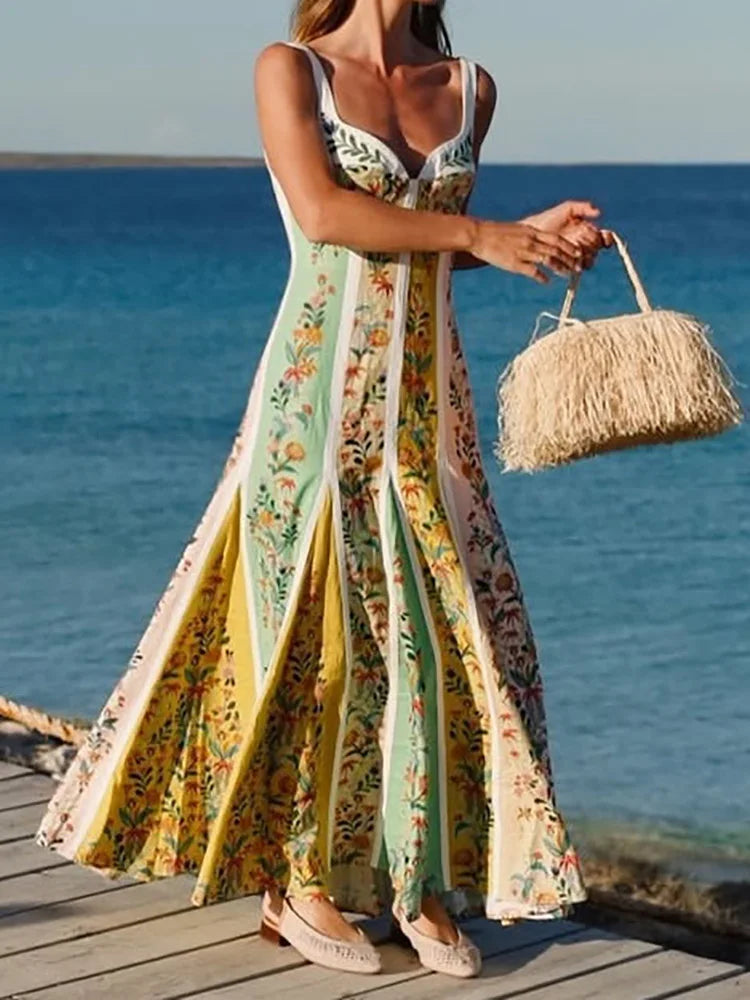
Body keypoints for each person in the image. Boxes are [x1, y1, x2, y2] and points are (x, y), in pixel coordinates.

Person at [35, 0, 614, 981]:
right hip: (314, 411)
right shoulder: (288, 71)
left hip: (432, 419)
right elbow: (326, 214)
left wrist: (532, 244)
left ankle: (416, 878)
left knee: (434, 645)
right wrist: (483, 230)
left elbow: (420, 255)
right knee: (321, 647)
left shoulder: (470, 86)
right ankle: (295, 879)